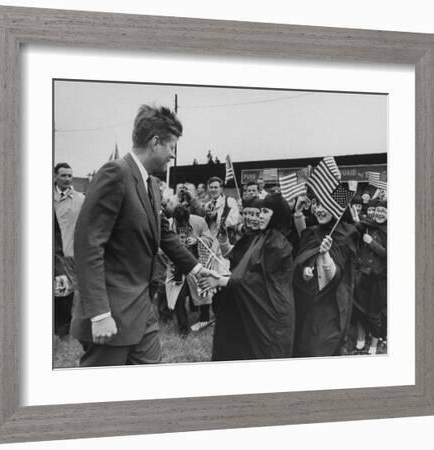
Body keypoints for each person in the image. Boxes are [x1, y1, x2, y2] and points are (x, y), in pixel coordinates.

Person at [71, 104, 217, 366]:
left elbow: (162, 233)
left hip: (142, 310)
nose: (173, 155)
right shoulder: (115, 173)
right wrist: (99, 313)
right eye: (172, 147)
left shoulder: (151, 184)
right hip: (112, 314)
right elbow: (88, 244)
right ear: (155, 142)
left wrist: (196, 269)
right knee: (102, 400)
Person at [199, 194, 295, 361]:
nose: (260, 216)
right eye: (260, 212)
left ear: (277, 214)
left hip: (271, 313)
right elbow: (244, 271)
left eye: (265, 211)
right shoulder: (263, 237)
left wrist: (220, 281)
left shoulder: (277, 243)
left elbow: (259, 282)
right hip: (257, 308)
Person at [292, 200, 359, 357]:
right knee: (303, 346)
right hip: (307, 301)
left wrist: (325, 254)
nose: (320, 210)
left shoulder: (347, 234)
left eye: (326, 206)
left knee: (322, 348)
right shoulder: (312, 231)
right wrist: (304, 271)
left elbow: (336, 277)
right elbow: (303, 254)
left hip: (331, 304)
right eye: (318, 205)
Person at [165, 205, 215, 337]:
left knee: (203, 291)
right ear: (174, 220)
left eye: (184, 223)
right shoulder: (168, 224)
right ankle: (183, 329)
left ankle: (204, 320)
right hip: (177, 267)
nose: (182, 226)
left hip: (196, 263)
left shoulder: (199, 221)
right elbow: (161, 246)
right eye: (178, 223)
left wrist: (197, 240)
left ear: (189, 218)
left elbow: (210, 240)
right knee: (178, 297)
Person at [53, 162, 85, 337]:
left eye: (69, 176)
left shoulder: (80, 199)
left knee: (64, 293)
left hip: (68, 255)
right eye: (63, 175)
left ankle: (63, 331)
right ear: (55, 176)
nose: (66, 179)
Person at [352, 199, 388, 354]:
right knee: (359, 310)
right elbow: (356, 230)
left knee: (375, 314)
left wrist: (372, 243)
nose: (379, 214)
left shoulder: (390, 230)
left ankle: (373, 344)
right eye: (378, 211)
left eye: (383, 211)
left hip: (378, 280)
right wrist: (356, 221)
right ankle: (360, 339)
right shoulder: (367, 225)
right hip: (362, 276)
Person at [204, 176, 240, 241]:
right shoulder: (207, 205)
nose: (213, 190)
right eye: (211, 187)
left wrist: (216, 217)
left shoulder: (230, 201)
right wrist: (207, 218)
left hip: (226, 239)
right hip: (211, 241)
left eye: (215, 187)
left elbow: (234, 221)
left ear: (221, 189)